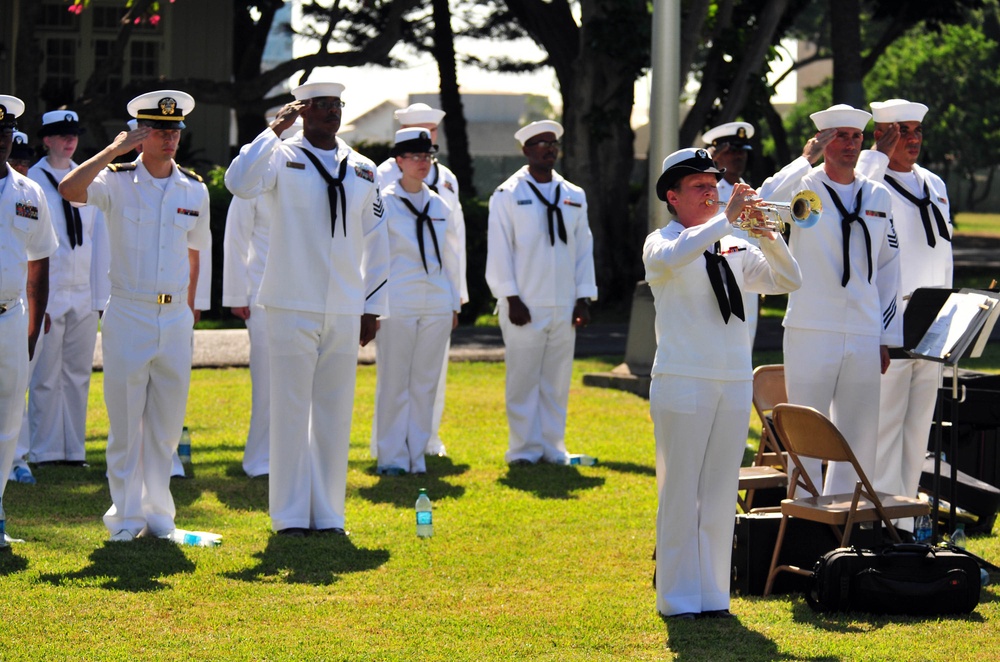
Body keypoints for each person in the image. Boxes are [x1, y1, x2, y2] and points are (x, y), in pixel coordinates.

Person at [225, 81, 389, 537]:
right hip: (289, 301)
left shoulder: (362, 168)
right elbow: (238, 184)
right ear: (301, 112)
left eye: (335, 105)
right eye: (318, 106)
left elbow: (377, 241)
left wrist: (371, 305)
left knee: (335, 413)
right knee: (291, 411)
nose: (328, 113)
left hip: (342, 305)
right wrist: (272, 132)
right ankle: (291, 517)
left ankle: (330, 515)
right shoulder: (280, 156)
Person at [645, 148, 801, 619]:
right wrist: (726, 221)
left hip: (732, 380)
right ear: (673, 197)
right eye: (698, 186)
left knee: (717, 494)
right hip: (683, 379)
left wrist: (768, 235)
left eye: (713, 183)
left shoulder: (732, 243)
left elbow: (788, 280)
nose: (711, 190)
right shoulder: (662, 242)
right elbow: (680, 253)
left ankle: (713, 595)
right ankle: (676, 598)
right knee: (680, 493)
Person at [58, 90, 211, 542]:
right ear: (141, 135)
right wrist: (112, 150)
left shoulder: (194, 188)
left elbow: (195, 251)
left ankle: (160, 518)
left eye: (174, 130)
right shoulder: (116, 180)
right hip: (129, 311)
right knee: (126, 424)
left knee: (165, 426)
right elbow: (70, 190)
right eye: (160, 130)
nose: (169, 138)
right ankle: (125, 518)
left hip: (174, 314)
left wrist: (191, 309)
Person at [759, 104, 902, 495]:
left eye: (856, 137)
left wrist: (885, 335)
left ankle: (848, 530)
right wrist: (804, 160)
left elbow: (889, 266)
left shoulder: (876, 194)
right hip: (811, 326)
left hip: (862, 329)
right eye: (840, 136)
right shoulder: (803, 187)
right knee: (804, 435)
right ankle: (803, 527)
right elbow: (759, 206)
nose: (850, 145)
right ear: (823, 141)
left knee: (859, 438)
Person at [857, 99, 953, 516]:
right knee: (885, 429)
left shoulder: (934, 183)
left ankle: (909, 522)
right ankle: (879, 523)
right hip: (892, 321)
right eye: (902, 132)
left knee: (918, 433)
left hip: (935, 318)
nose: (912, 140)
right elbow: (855, 196)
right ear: (882, 135)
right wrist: (875, 156)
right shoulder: (871, 183)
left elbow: (944, 252)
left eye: (916, 131)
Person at [485, 120, 597, 465]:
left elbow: (582, 249)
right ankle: (523, 450)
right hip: (525, 302)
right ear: (526, 151)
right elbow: (500, 249)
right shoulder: (507, 194)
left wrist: (583, 297)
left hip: (563, 303)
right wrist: (510, 296)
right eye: (540, 143)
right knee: (523, 378)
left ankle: (553, 447)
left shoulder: (573, 195)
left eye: (553, 144)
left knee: (556, 380)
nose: (549, 149)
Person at [375, 102, 467, 458]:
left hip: (436, 301)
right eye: (413, 156)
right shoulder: (383, 202)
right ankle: (391, 454)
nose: (422, 162)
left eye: (426, 155)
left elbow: (452, 256)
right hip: (398, 300)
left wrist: (454, 300)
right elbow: (375, 258)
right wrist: (372, 305)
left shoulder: (441, 205)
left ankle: (417, 452)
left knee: (426, 383)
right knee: (395, 382)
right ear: (398, 160)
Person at [221, 118, 300, 478]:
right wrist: (237, 293)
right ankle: (259, 460)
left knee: (300, 383)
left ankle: (293, 458)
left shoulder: (307, 173)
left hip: (303, 294)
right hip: (262, 294)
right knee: (267, 380)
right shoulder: (255, 172)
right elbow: (237, 237)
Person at [26, 110, 106, 467]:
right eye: (60, 134)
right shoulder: (33, 181)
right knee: (45, 372)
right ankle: (43, 450)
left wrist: (100, 290)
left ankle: (73, 450)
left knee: (77, 372)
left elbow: (98, 236)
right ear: (46, 140)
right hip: (50, 287)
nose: (69, 140)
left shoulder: (88, 176)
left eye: (73, 133)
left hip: (84, 288)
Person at [0, 95, 58, 531]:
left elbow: (40, 262)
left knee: (7, 419)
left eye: (4, 134)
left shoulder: (29, 191)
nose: (0, 142)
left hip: (10, 316)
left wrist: (34, 324)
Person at [703, 121, 761, 345]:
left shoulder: (752, 192)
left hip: (748, 278)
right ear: (718, 156)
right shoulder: (709, 191)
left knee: (746, 345)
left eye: (742, 152)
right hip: (717, 278)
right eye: (732, 152)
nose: (738, 157)